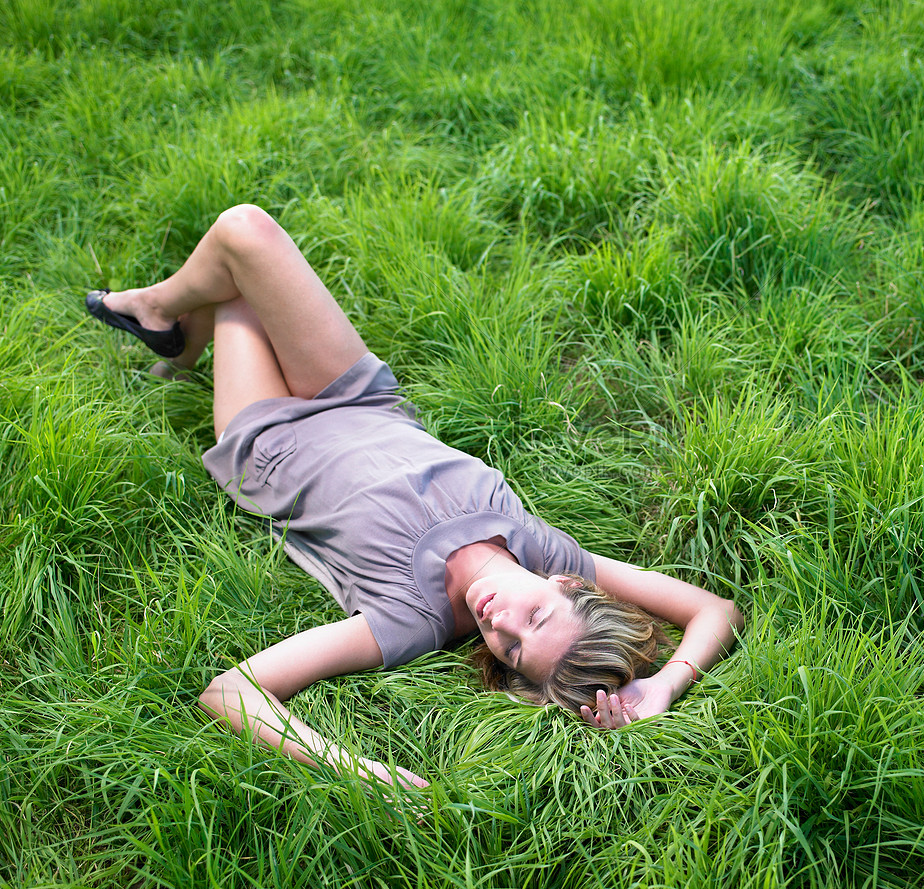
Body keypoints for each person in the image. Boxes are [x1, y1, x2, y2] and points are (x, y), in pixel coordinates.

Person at [85, 204, 742, 792]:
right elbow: (714, 607)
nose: (499, 622)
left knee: (236, 276)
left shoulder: (410, 619)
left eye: (510, 649)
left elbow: (231, 691)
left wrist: (357, 770)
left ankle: (170, 324)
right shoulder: (546, 550)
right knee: (247, 231)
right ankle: (171, 326)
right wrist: (664, 683)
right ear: (565, 583)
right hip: (359, 396)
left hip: (271, 433)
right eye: (535, 617)